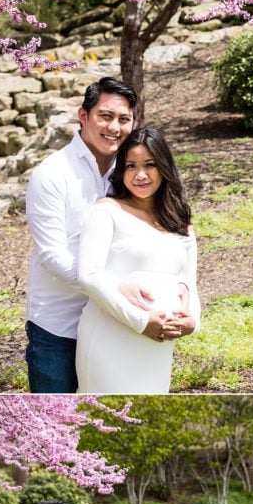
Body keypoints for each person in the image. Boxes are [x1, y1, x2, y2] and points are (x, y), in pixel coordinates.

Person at [26, 76, 152, 393]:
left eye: (124, 119)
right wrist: (113, 287)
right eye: (105, 116)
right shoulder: (53, 174)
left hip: (114, 324)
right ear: (84, 116)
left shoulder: (131, 176)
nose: (114, 127)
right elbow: (54, 258)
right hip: (58, 329)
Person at [75, 125, 201, 393]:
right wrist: (142, 322)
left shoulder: (180, 223)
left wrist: (192, 322)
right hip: (110, 339)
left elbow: (189, 284)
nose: (140, 175)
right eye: (131, 166)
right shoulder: (105, 212)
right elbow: (89, 275)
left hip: (158, 346)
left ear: (164, 167)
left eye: (150, 165)